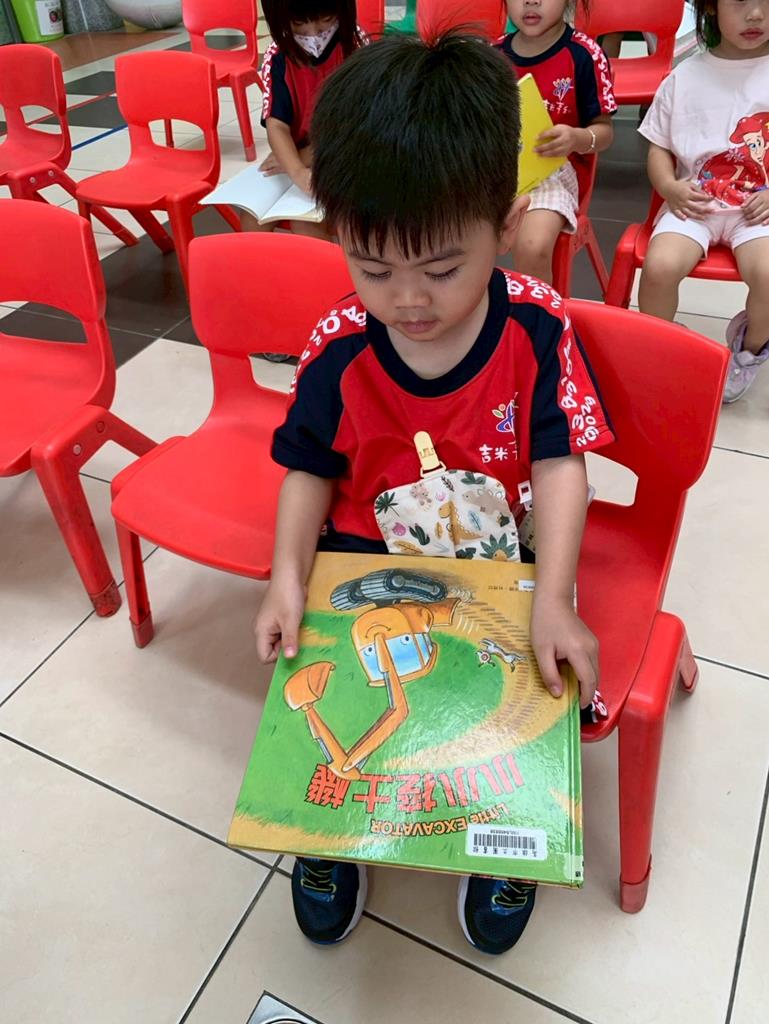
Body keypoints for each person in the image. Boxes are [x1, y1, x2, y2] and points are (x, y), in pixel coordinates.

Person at [254, 32, 615, 955]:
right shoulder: (339, 345)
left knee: (533, 685)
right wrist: (285, 577)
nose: (407, 300)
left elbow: (559, 464)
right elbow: (307, 468)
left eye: (442, 269)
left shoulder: (536, 330)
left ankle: (505, 841)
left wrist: (556, 595)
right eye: (372, 268)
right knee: (331, 698)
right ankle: (330, 838)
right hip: (364, 561)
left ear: (504, 221)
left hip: (496, 557)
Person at [638, 0, 769, 403]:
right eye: (740, 1)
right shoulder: (685, 76)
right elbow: (659, 148)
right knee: (659, 267)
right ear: (711, 8)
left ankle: (748, 349)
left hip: (757, 209)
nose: (756, 14)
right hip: (694, 203)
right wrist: (669, 186)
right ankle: (656, 347)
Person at [496, 0, 616, 283]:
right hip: (495, 170)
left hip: (552, 173)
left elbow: (605, 132)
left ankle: (539, 309)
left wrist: (576, 138)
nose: (531, 1)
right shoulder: (493, 55)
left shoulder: (584, 54)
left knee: (532, 245)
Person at [239, 0, 365, 236]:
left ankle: (328, 261)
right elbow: (277, 125)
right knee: (252, 220)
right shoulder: (278, 55)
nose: (313, 33)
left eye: (325, 20)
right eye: (298, 23)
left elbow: (362, 129)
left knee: (305, 222)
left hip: (348, 155)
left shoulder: (356, 48)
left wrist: (302, 158)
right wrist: (297, 169)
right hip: (301, 159)